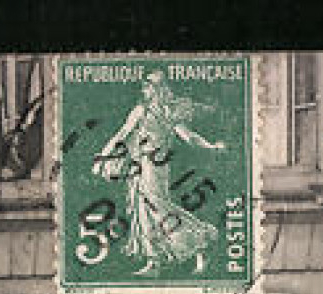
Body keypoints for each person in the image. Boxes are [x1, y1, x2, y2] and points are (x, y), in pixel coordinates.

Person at [93, 70, 225, 275]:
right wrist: (104, 154)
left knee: (159, 208)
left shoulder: (167, 113)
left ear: (159, 89)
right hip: (141, 165)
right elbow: (122, 134)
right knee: (144, 211)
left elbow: (188, 136)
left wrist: (210, 146)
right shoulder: (141, 111)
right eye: (147, 85)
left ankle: (199, 241)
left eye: (152, 85)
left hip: (157, 166)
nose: (147, 89)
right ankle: (156, 260)